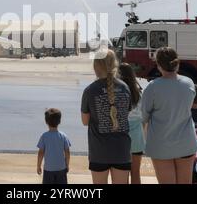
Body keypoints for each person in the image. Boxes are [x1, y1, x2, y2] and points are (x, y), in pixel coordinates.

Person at [141, 47, 197, 184]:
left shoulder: (152, 87)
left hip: (160, 145)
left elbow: (143, 117)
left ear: (158, 65)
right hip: (186, 142)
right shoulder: (189, 83)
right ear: (177, 63)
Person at [81, 49, 132, 184]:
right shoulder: (125, 87)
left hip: (99, 151)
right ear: (115, 64)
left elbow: (85, 121)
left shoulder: (90, 90)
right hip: (122, 150)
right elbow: (125, 115)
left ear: (96, 66)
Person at [119, 63, 145, 184]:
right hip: (137, 138)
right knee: (136, 172)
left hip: (121, 137)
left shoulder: (118, 93)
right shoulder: (139, 93)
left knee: (122, 174)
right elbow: (144, 116)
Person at [37, 108, 71, 184]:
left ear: (46, 122)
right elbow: (67, 152)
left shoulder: (44, 136)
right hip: (61, 169)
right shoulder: (63, 136)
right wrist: (67, 164)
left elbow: (41, 153)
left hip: (48, 169)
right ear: (59, 121)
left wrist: (38, 166)